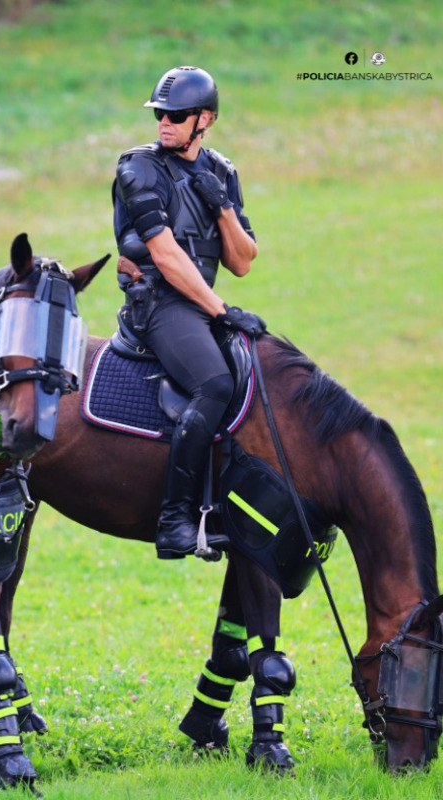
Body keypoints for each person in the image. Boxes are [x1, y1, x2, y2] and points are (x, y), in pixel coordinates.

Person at [112, 65, 264, 559]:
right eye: (160, 114)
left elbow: (242, 261)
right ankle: (175, 519)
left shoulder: (222, 172)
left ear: (207, 119)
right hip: (159, 304)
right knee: (216, 384)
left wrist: (221, 207)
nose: (164, 123)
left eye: (176, 115)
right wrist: (221, 311)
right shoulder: (138, 168)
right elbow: (165, 255)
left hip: (199, 304)